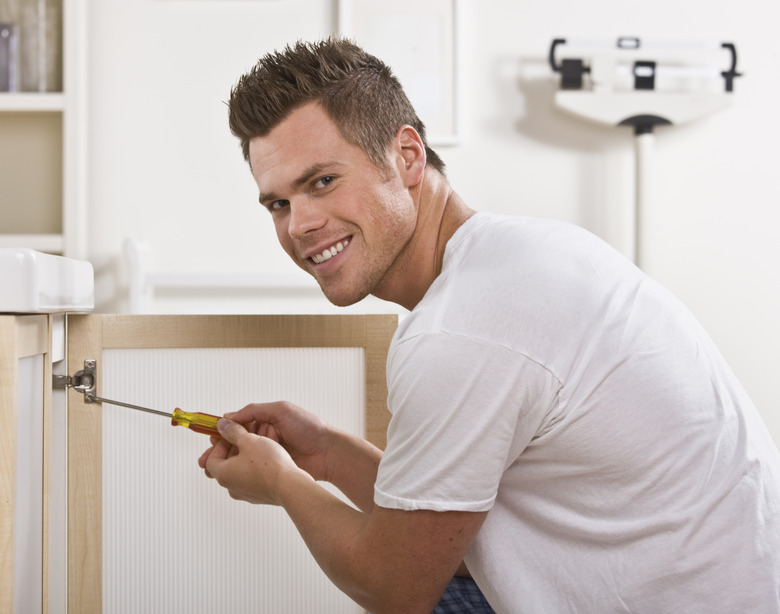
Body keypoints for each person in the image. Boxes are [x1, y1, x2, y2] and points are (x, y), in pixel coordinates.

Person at [198, 38, 780, 613]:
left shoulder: (460, 331)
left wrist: (283, 484)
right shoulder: (519, 256)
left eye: (322, 181)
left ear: (407, 157)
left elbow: (396, 589)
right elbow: (444, 531)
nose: (298, 225)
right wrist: (326, 453)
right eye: (278, 204)